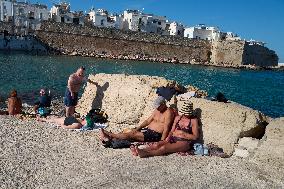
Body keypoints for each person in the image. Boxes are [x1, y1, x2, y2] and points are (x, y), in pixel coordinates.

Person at [130, 100, 199, 158]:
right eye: (185, 113)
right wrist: (167, 139)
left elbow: (195, 137)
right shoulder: (178, 118)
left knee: (164, 148)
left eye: (188, 113)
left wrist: (183, 133)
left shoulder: (193, 120)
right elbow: (171, 131)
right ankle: (141, 150)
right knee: (156, 145)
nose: (187, 115)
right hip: (173, 138)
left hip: (184, 142)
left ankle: (146, 153)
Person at [99, 96, 175, 143]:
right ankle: (110, 138)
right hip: (148, 131)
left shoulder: (168, 112)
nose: (157, 108)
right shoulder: (157, 110)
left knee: (132, 135)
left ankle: (110, 135)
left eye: (158, 107)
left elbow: (166, 128)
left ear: (163, 104)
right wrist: (138, 128)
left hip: (155, 135)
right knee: (130, 131)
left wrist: (161, 142)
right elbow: (147, 121)